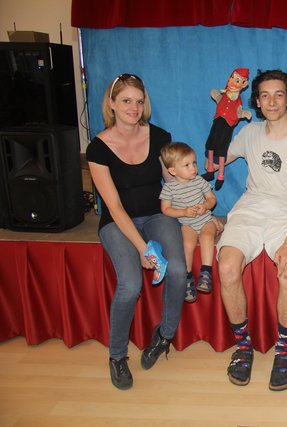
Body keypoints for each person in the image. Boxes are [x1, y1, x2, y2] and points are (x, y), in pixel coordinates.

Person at [214, 69, 287, 391]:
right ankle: (243, 348)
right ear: (256, 101)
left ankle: (283, 352)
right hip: (250, 208)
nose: (272, 101)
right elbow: (215, 161)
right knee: (228, 265)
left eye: (279, 95)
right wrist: (219, 125)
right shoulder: (249, 134)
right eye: (265, 95)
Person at [86, 73, 187, 390]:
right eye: (126, 100)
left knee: (179, 271)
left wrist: (195, 207)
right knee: (130, 285)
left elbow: (170, 183)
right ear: (112, 103)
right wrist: (144, 248)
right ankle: (117, 356)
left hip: (156, 214)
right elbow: (113, 206)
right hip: (118, 222)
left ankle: (164, 335)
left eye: (139, 101)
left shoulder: (159, 136)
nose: (134, 107)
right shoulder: (98, 148)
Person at [159, 142, 224, 303]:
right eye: (187, 165)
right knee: (187, 243)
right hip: (186, 223)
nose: (193, 168)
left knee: (207, 237)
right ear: (173, 170)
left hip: (205, 219)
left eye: (194, 163)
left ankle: (206, 273)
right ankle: (188, 277)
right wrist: (183, 212)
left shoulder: (200, 181)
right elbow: (165, 209)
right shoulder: (169, 188)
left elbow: (211, 199)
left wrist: (205, 206)